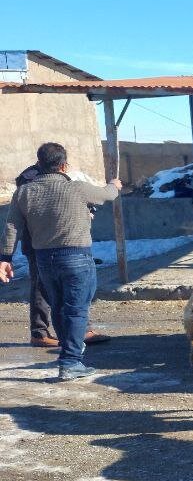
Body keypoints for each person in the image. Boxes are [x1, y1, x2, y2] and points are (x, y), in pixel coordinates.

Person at [0, 143, 122, 380]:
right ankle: (70, 362)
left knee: (57, 307)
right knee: (76, 310)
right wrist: (114, 185)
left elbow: (12, 227)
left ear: (38, 164)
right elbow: (107, 194)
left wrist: (5, 257)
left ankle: (68, 356)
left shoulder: (23, 192)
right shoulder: (76, 188)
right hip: (76, 257)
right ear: (64, 165)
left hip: (44, 259)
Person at [13, 164, 110, 349]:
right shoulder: (32, 177)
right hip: (42, 242)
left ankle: (75, 332)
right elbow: (46, 208)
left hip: (48, 241)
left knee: (66, 288)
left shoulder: (41, 177)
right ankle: (42, 333)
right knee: (45, 288)